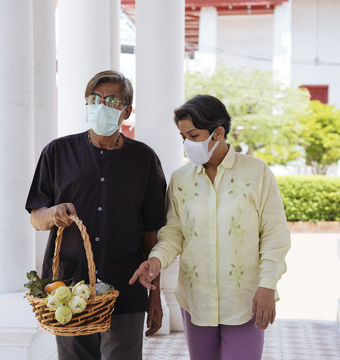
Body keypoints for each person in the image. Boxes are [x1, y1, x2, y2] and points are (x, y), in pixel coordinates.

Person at [129, 95, 291, 360]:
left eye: (193, 135)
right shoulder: (180, 179)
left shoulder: (257, 173)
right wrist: (156, 259)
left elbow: (275, 234)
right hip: (196, 300)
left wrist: (268, 285)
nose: (186, 144)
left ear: (218, 133)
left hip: (246, 299)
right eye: (183, 137)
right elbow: (173, 232)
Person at [25, 70, 166, 360]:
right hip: (69, 289)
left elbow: (152, 232)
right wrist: (53, 213)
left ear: (126, 111)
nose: (100, 105)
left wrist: (155, 294)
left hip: (126, 285)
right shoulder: (57, 152)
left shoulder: (145, 160)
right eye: (94, 98)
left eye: (111, 100)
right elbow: (36, 218)